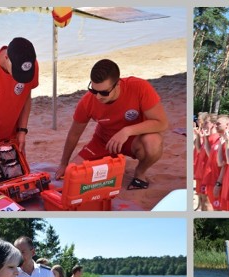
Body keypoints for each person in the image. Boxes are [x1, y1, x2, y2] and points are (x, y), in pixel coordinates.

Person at [56, 59, 168, 190]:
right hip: (104, 141)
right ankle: (111, 161)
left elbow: (162, 123)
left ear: (118, 84)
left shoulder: (139, 87)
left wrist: (126, 131)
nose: (98, 97)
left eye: (104, 92)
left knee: (153, 142)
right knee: (72, 173)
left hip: (133, 140)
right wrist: (64, 163)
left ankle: (140, 173)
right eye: (93, 90)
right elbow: (74, 134)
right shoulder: (87, 101)